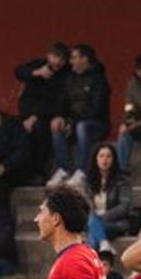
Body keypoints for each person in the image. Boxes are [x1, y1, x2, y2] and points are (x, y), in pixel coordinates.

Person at [51, 44, 111, 180]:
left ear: (85, 59)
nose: (70, 61)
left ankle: (81, 171)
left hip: (97, 125)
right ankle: (63, 169)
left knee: (81, 126)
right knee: (55, 125)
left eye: (74, 57)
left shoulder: (99, 80)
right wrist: (60, 117)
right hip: (74, 123)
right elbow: (62, 102)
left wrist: (73, 122)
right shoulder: (69, 79)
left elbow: (97, 109)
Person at [14, 42, 70, 172]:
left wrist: (35, 116)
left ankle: (39, 172)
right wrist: (36, 73)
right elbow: (18, 71)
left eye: (62, 59)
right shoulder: (38, 65)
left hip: (46, 116)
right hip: (26, 113)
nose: (58, 62)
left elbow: (58, 102)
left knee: (39, 130)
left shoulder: (64, 76)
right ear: (48, 56)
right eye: (56, 57)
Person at [82, 143, 135, 251]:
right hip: (92, 221)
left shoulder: (122, 180)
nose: (104, 160)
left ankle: (98, 250)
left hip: (115, 222)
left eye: (108, 156)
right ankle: (104, 243)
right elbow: (85, 204)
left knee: (93, 234)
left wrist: (103, 217)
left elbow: (124, 206)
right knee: (93, 224)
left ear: (114, 159)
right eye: (101, 156)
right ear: (96, 159)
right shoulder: (88, 180)